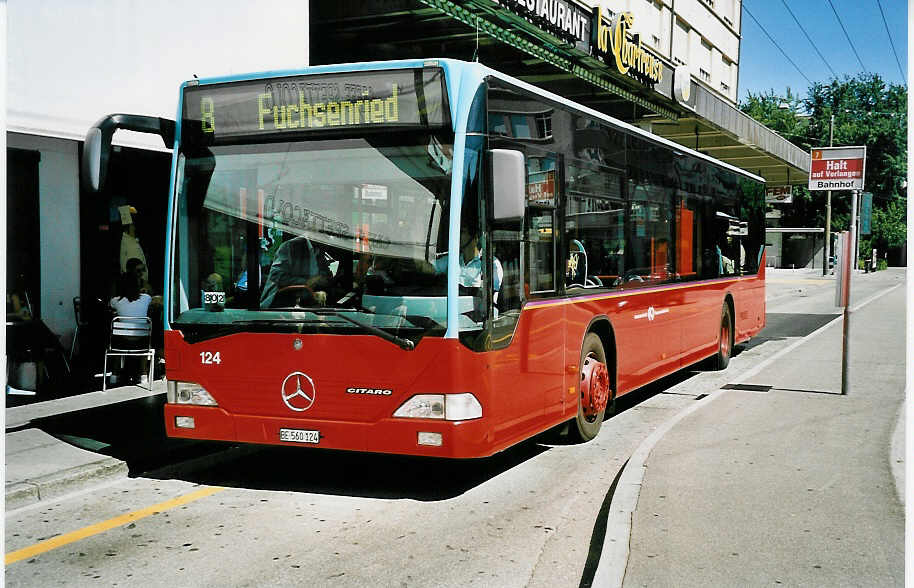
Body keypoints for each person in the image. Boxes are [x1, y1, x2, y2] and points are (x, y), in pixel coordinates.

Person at [260, 236, 333, 308]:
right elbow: (276, 276)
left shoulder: (319, 251)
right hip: (279, 305)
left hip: (307, 305)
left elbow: (325, 274)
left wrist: (322, 279)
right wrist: (306, 282)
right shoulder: (291, 246)